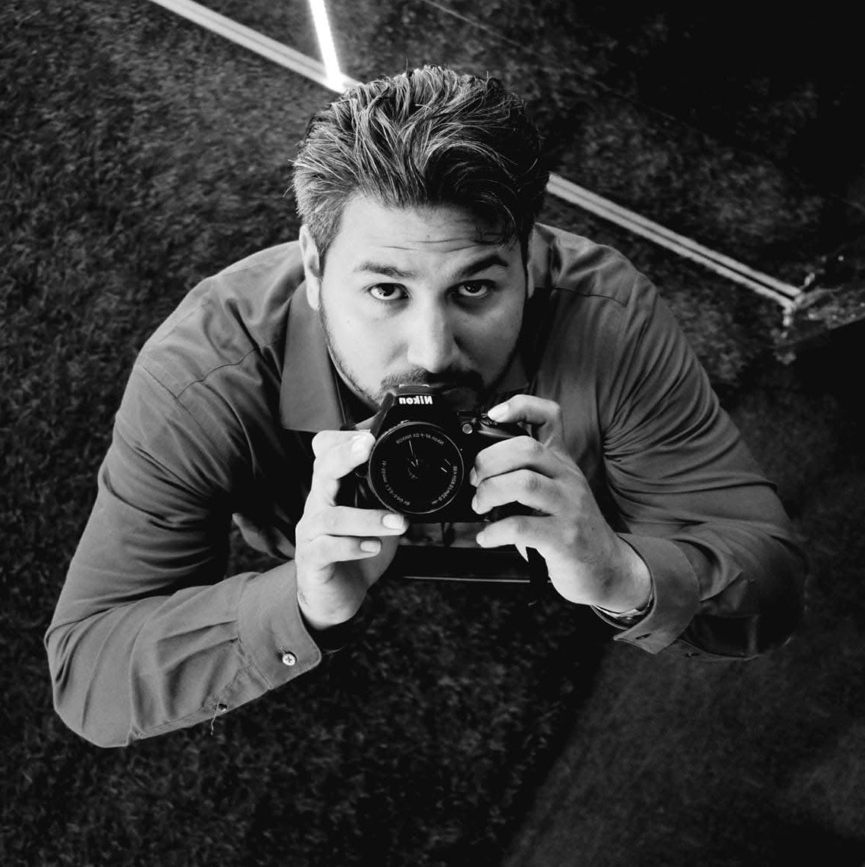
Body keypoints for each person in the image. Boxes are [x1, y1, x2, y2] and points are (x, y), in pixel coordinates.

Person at [46, 65, 806, 748]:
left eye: (474, 288)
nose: (434, 351)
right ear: (313, 267)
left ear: (529, 261)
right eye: (386, 290)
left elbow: (767, 579)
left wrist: (621, 574)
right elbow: (89, 674)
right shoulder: (205, 373)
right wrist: (300, 603)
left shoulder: (605, 318)